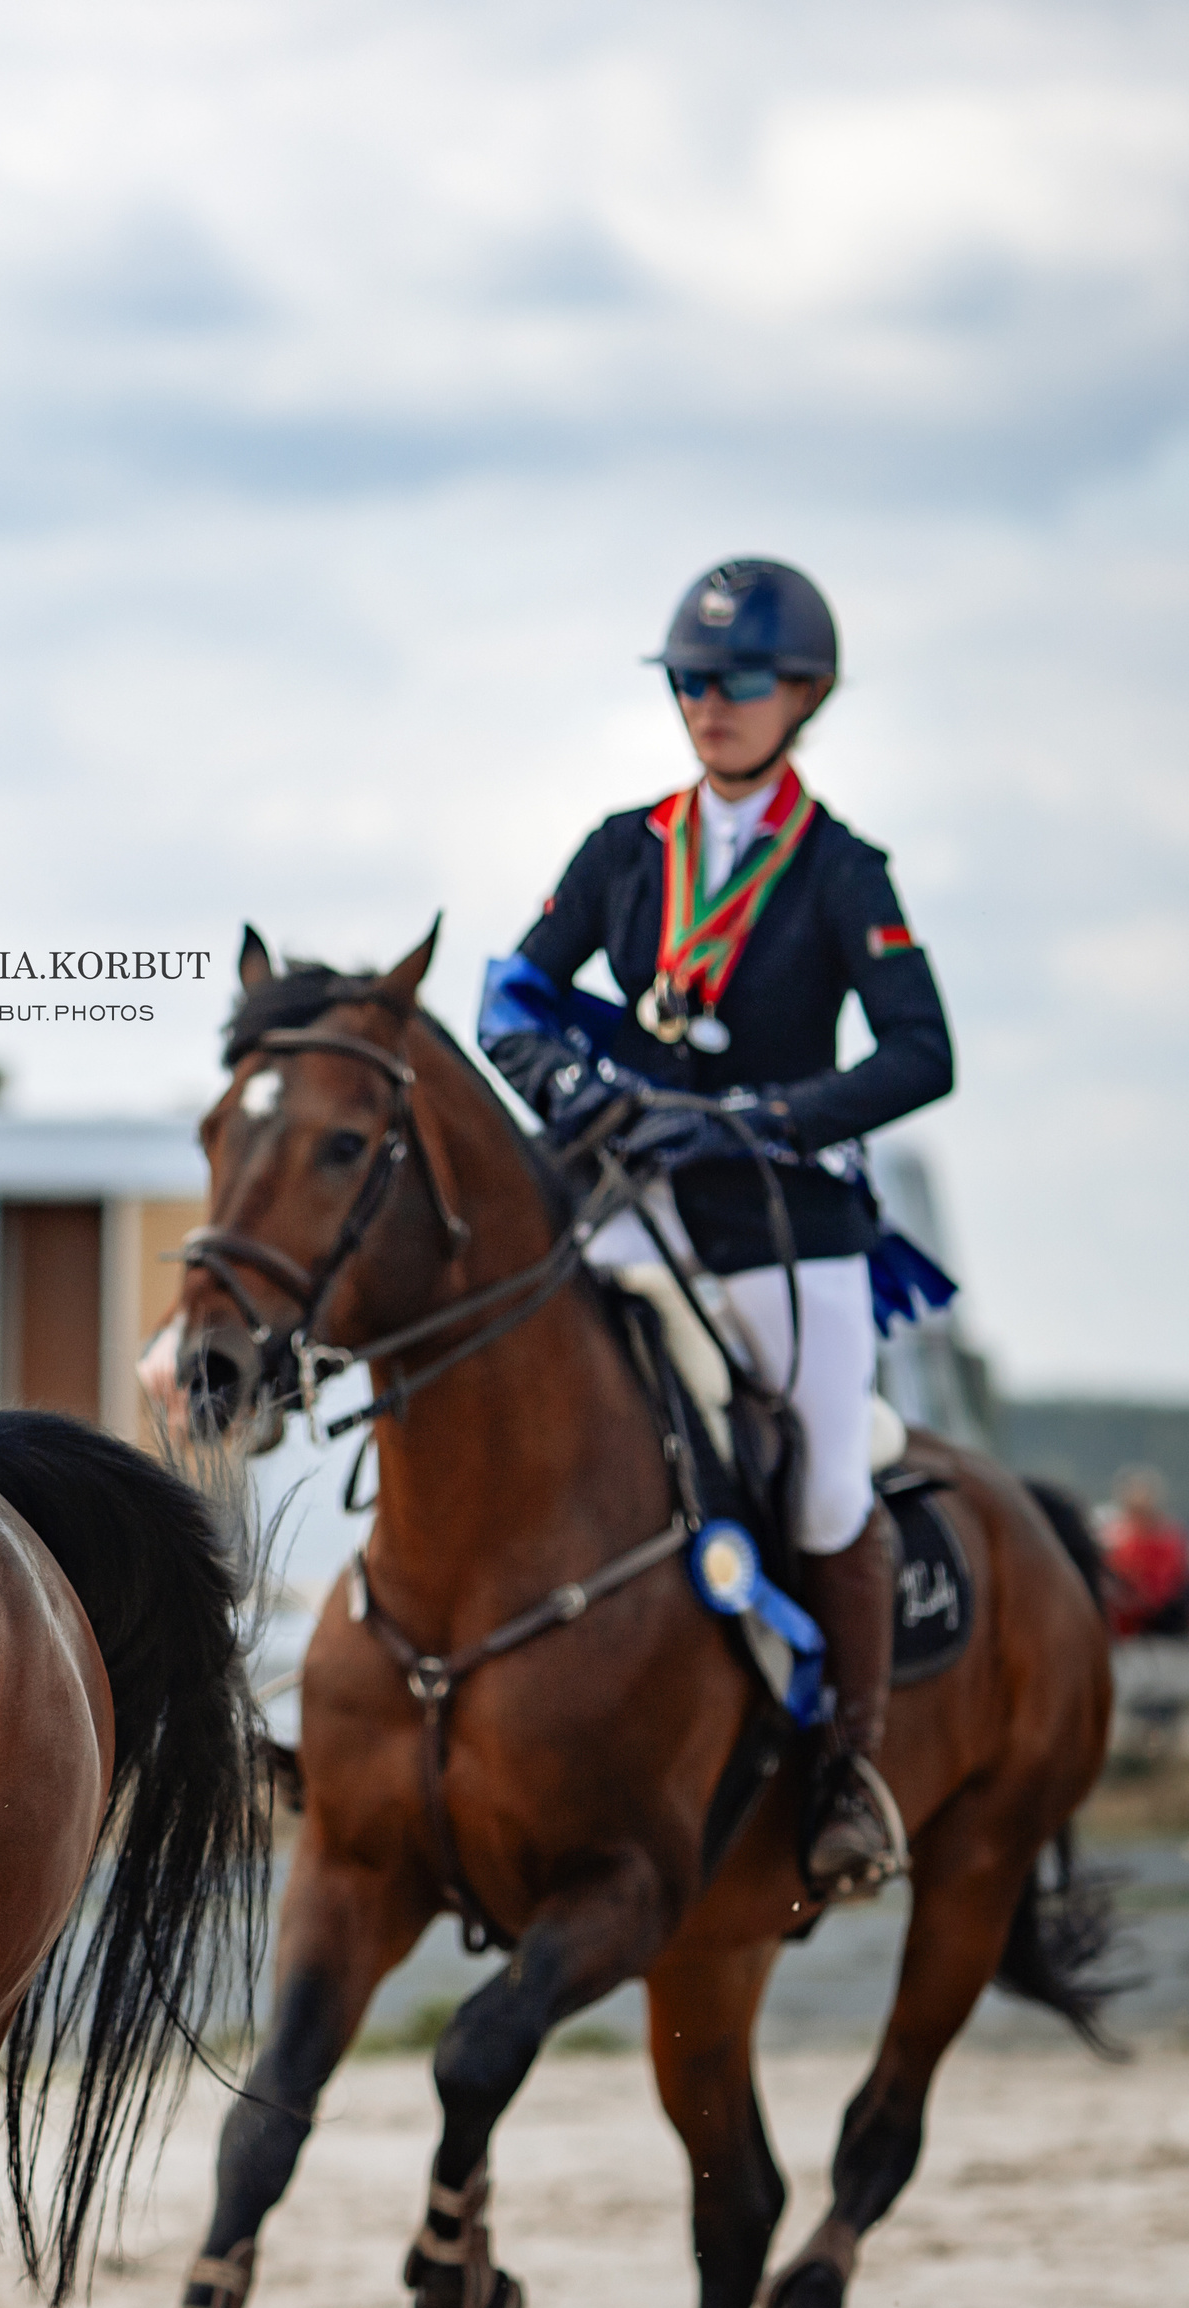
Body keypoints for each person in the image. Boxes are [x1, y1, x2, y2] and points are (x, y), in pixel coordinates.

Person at [482, 559, 954, 1902]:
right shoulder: (625, 851)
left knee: (818, 1481)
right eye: (690, 682)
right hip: (634, 1215)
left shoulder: (843, 871)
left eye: (739, 683)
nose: (710, 705)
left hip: (786, 1238)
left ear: (803, 696)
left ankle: (848, 1773)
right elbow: (513, 992)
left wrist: (762, 1114)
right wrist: (565, 1082)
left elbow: (923, 1054)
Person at [1104, 1467, 1189, 1639]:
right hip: (1121, 1625)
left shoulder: (1168, 1540)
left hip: (1160, 1626)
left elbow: (1160, 1591)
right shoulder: (1115, 1536)